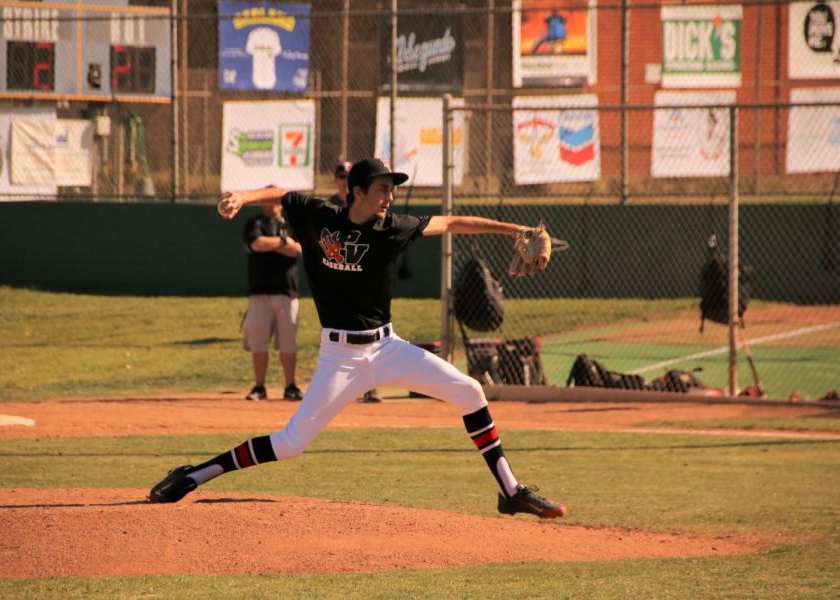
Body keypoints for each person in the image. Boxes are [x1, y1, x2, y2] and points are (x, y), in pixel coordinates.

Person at [148, 158, 566, 520]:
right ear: (357, 191)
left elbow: (452, 221)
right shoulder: (318, 216)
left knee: (471, 391)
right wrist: (241, 196)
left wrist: (513, 228)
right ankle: (194, 475)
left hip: (387, 349)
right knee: (291, 444)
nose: (390, 197)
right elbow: (282, 193)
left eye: (393, 189)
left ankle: (510, 492)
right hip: (339, 357)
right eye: (383, 188)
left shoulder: (394, 229)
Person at [328, 161, 383, 404]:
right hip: (339, 278)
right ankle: (345, 387)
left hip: (366, 275)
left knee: (373, 329)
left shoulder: (371, 208)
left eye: (347, 176)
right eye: (340, 176)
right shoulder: (328, 208)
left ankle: (371, 386)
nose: (343, 180)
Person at [241, 201, 304, 401]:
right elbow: (257, 244)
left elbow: (299, 250)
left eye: (274, 199)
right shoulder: (255, 223)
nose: (270, 204)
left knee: (288, 342)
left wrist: (274, 243)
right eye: (266, 200)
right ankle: (259, 386)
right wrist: (284, 242)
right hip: (259, 292)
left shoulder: (292, 222)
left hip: (287, 291)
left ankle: (290, 385)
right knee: (259, 342)